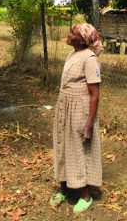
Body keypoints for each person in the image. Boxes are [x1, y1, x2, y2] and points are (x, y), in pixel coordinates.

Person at [50, 23, 103, 214]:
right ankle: (63, 189)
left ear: (82, 39)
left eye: (72, 33)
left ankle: (85, 195)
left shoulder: (89, 59)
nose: (68, 34)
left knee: (81, 149)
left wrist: (88, 124)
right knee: (63, 145)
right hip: (65, 106)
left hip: (79, 110)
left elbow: (95, 95)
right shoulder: (72, 54)